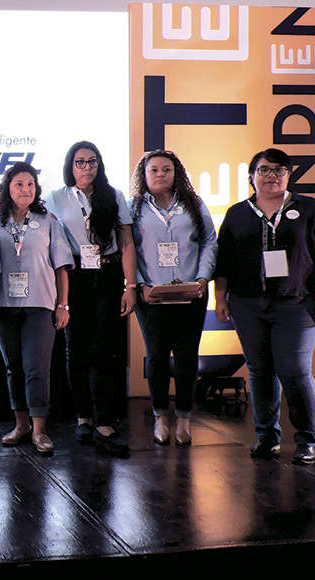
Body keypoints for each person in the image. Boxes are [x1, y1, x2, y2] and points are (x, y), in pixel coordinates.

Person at [215, 148, 315, 465]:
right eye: (265, 169)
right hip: (247, 304)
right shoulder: (237, 213)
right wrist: (220, 298)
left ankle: (308, 439)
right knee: (259, 371)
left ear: (289, 175)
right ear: (252, 176)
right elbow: (224, 261)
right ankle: (267, 437)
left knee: (295, 371)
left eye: (280, 169)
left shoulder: (309, 209)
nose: (272, 175)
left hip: (297, 303)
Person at [44, 141, 137, 457]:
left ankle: (105, 421)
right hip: (75, 277)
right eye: (80, 162)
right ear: (70, 165)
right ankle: (83, 417)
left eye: (92, 162)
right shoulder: (55, 198)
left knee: (105, 349)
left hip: (108, 275)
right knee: (76, 349)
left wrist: (131, 285)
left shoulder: (114, 196)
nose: (86, 167)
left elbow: (126, 243)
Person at [129, 150, 217, 446]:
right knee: (156, 356)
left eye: (166, 169)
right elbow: (129, 249)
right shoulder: (134, 207)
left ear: (176, 172)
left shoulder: (193, 203)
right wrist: (139, 284)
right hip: (151, 294)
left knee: (186, 356)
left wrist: (203, 278)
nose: (160, 175)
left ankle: (183, 419)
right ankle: (159, 417)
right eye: (153, 170)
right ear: (144, 175)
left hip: (190, 292)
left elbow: (209, 241)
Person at [0, 162, 72, 455]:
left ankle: (39, 431)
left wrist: (63, 305)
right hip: (2, 305)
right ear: (7, 188)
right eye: (18, 184)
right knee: (13, 368)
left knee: (36, 369)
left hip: (40, 304)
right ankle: (21, 425)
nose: (25, 190)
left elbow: (61, 266)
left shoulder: (47, 220)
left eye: (30, 185)